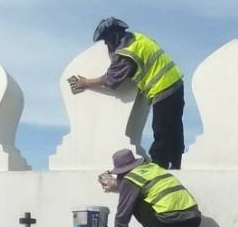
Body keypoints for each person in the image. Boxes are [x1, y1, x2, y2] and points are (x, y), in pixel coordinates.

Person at [70, 18, 185, 168]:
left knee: (161, 129)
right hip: (176, 83)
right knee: (174, 129)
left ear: (113, 37)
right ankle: (176, 163)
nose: (106, 45)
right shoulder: (138, 37)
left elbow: (112, 79)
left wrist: (86, 83)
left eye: (106, 41)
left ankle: (158, 167)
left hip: (163, 87)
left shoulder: (127, 52)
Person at [106, 148, 202, 227]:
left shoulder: (130, 178)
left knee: (134, 202)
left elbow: (123, 212)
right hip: (193, 221)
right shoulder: (153, 168)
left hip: (170, 223)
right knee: (165, 199)